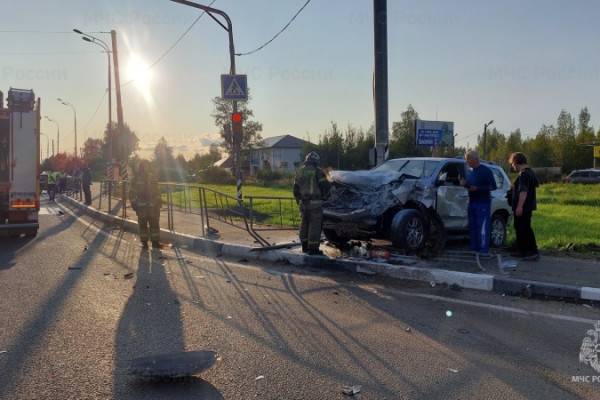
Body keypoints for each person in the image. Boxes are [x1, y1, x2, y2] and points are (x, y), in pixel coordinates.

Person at [460, 150, 497, 257]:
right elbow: (471, 186)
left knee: (482, 227)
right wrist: (465, 184)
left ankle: (483, 250)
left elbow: (493, 187)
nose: (467, 162)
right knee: (473, 226)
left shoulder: (486, 171)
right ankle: (474, 248)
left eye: (468, 160)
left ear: (474, 159)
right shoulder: (472, 172)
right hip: (472, 203)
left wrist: (478, 189)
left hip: (483, 203)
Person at [293, 152, 330, 255]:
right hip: (316, 203)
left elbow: (295, 188)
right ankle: (313, 249)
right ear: (315, 161)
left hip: (303, 203)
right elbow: (324, 187)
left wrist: (298, 199)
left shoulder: (300, 171)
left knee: (304, 224)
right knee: (315, 226)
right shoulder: (318, 172)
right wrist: (326, 197)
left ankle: (304, 246)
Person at [508, 152, 540, 261]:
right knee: (521, 227)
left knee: (524, 228)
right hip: (528, 206)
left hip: (524, 207)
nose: (512, 166)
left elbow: (523, 192)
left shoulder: (523, 174)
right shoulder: (530, 172)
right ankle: (522, 251)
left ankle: (532, 252)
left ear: (516, 162)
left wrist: (519, 207)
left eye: (512, 163)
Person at [129, 160, 162, 249]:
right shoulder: (135, 179)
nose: (145, 167)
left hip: (153, 207)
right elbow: (131, 193)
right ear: (140, 167)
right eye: (144, 166)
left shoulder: (152, 177)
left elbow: (157, 191)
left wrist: (159, 202)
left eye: (147, 166)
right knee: (143, 226)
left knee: (154, 225)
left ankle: (155, 243)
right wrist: (134, 204)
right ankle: (144, 243)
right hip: (141, 207)